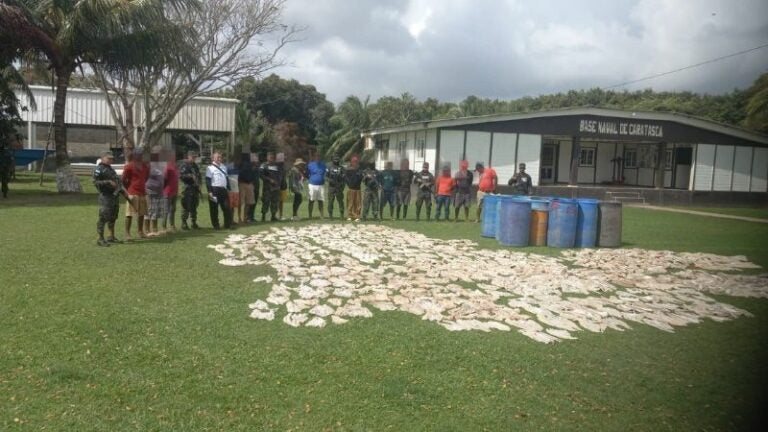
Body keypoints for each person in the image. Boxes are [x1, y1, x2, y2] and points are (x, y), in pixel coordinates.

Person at [93, 151, 124, 246]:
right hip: (105, 196)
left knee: (113, 217)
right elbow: (95, 182)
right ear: (102, 158)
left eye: (112, 158)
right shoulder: (99, 169)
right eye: (109, 158)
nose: (111, 160)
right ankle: (100, 239)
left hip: (114, 196)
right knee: (103, 217)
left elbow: (117, 181)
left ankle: (111, 236)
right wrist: (108, 182)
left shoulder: (110, 169)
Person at [122, 149, 149, 239]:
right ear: (134, 156)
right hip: (132, 192)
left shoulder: (145, 166)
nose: (141, 156)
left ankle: (140, 231)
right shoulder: (129, 166)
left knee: (142, 213)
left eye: (141, 155)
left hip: (142, 193)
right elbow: (123, 180)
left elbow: (146, 177)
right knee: (129, 214)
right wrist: (127, 189)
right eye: (139, 155)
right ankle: (127, 233)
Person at [205, 151, 233, 229]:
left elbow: (226, 178)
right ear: (213, 158)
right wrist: (209, 191)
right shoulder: (210, 168)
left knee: (227, 207)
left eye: (220, 157)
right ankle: (216, 225)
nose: (219, 158)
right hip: (214, 190)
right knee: (214, 208)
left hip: (223, 190)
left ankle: (227, 225)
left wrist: (228, 188)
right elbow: (207, 180)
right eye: (217, 157)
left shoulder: (224, 167)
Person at [144, 149, 166, 237]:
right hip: (150, 191)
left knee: (156, 211)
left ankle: (154, 229)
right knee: (149, 210)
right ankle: (146, 230)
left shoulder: (161, 165)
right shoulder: (148, 165)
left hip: (159, 191)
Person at [179, 150, 202, 230]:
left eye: (195, 157)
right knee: (186, 206)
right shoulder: (184, 165)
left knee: (194, 205)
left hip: (195, 188)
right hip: (187, 188)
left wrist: (200, 184)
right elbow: (181, 176)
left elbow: (199, 175)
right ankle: (184, 223)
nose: (194, 158)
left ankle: (193, 222)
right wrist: (190, 176)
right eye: (193, 157)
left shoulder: (195, 165)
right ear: (188, 156)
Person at [161, 150, 179, 233]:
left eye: (174, 156)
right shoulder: (167, 167)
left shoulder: (175, 166)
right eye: (172, 156)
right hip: (167, 192)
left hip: (174, 192)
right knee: (166, 210)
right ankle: (164, 226)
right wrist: (163, 189)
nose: (173, 157)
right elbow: (164, 179)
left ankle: (172, 225)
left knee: (173, 209)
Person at [260, 152, 281, 222]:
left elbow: (280, 175)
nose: (271, 159)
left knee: (275, 202)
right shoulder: (264, 165)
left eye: (273, 157)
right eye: (270, 157)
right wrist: (269, 180)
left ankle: (273, 216)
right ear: (267, 158)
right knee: (266, 201)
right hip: (267, 187)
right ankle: (263, 217)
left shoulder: (277, 166)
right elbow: (261, 175)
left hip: (276, 187)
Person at [306, 152, 327, 219]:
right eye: (316, 156)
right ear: (314, 157)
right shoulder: (310, 165)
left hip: (321, 185)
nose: (318, 158)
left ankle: (321, 215)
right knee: (311, 200)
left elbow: (325, 174)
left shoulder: (323, 165)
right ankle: (310, 215)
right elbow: (307, 173)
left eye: (319, 156)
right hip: (312, 185)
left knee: (320, 200)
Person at [325, 153, 345, 219]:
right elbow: (325, 177)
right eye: (335, 159)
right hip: (331, 187)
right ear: (332, 159)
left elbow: (344, 178)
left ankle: (342, 215)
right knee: (330, 202)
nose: (336, 160)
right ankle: (330, 215)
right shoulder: (329, 168)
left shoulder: (342, 168)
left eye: (337, 159)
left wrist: (342, 186)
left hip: (339, 187)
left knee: (340, 202)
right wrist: (330, 180)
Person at [238, 153, 256, 223]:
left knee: (248, 202)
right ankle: (240, 218)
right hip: (242, 183)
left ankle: (244, 218)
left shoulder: (252, 164)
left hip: (249, 183)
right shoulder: (241, 164)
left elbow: (253, 173)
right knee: (242, 202)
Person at [344, 155, 363, 222]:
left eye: (356, 161)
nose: (355, 163)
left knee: (358, 203)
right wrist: (350, 184)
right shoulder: (348, 170)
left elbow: (361, 178)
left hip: (358, 189)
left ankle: (357, 216)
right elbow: (346, 178)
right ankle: (350, 216)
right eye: (354, 161)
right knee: (350, 203)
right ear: (351, 162)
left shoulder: (360, 170)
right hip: (351, 189)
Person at [276, 152, 288, 220]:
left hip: (283, 185)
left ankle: (280, 215)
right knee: (278, 201)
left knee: (281, 201)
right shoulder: (276, 167)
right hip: (278, 186)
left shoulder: (283, 167)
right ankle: (277, 215)